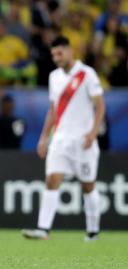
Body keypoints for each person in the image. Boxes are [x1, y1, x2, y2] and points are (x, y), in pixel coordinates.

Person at [22, 36, 106, 241]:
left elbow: (100, 104)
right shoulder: (54, 77)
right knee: (51, 180)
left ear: (70, 51)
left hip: (83, 140)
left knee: (88, 185)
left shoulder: (87, 74)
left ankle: (93, 231)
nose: (56, 58)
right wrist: (44, 137)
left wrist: (93, 132)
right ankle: (43, 229)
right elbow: (53, 109)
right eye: (53, 55)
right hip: (60, 139)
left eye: (60, 53)